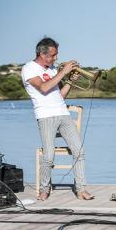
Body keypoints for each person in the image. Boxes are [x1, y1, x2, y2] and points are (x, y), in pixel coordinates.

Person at [21, 37, 94, 201]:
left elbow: (59, 95)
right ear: (41, 54)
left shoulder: (53, 69)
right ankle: (44, 189)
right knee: (48, 156)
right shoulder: (29, 69)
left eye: (56, 55)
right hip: (45, 115)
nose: (56, 59)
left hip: (63, 113)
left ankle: (81, 189)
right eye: (53, 55)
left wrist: (69, 81)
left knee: (79, 151)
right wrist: (63, 72)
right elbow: (45, 88)